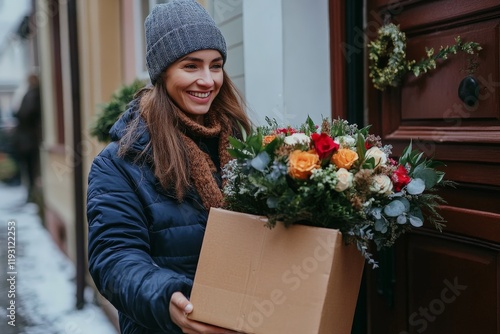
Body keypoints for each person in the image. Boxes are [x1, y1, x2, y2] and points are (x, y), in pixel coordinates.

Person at [86, 1, 251, 333]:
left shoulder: (241, 147)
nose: (207, 80)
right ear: (163, 73)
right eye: (191, 66)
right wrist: (167, 297)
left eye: (215, 65)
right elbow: (114, 257)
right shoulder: (121, 163)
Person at [13, 73, 42, 201]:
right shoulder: (31, 93)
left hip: (28, 139)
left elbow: (25, 113)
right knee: (30, 167)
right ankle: (31, 192)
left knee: (30, 167)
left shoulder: (32, 93)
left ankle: (32, 193)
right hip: (27, 138)